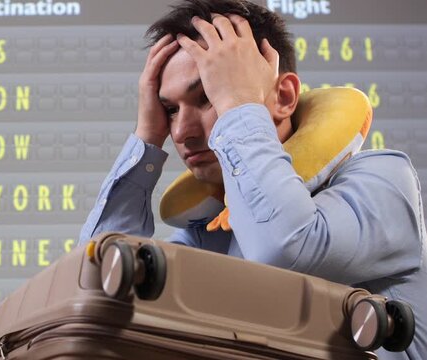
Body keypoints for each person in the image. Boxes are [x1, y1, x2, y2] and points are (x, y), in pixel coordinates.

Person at [78, 0, 426, 358]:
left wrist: (238, 102)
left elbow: (283, 251)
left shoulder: (383, 179)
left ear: (285, 96)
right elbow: (95, 293)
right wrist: (146, 137)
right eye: (170, 109)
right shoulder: (207, 234)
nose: (182, 131)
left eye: (209, 95)